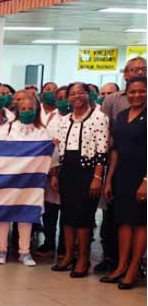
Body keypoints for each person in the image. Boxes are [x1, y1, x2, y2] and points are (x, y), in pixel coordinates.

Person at [50, 82, 109, 278]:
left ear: (88, 95)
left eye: (80, 93)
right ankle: (68, 255)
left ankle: (83, 258)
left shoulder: (100, 118)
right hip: (67, 170)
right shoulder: (64, 120)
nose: (76, 97)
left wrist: (97, 177)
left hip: (88, 172)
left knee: (83, 217)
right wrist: (55, 175)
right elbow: (58, 150)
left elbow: (102, 150)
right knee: (67, 215)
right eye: (72, 94)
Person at [98, 58, 147, 274]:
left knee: (140, 224)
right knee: (123, 222)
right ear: (127, 93)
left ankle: (134, 267)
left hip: (142, 175)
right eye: (133, 92)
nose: (137, 95)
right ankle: (121, 265)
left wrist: (146, 181)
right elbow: (115, 149)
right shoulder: (121, 115)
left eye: (142, 91)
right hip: (122, 175)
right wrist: (108, 180)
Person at [0, 92, 50, 267]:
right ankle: (0, 249)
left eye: (30, 109)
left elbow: (48, 157)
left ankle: (24, 252)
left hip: (30, 182)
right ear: (18, 110)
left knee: (26, 215)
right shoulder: (8, 128)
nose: (26, 111)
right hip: (8, 179)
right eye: (23, 108)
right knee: (4, 215)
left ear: (36, 110)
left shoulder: (43, 132)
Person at [38, 82, 64, 255]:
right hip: (38, 167)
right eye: (47, 89)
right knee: (47, 206)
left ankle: (63, 244)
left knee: (59, 204)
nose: (51, 93)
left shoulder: (64, 116)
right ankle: (48, 240)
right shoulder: (35, 111)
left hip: (59, 165)